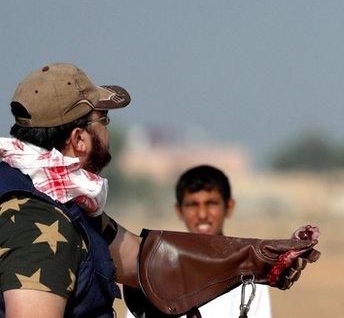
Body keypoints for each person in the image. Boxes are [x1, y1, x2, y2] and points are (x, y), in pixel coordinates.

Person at [0, 63, 317, 318]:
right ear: (79, 140)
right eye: (104, 119)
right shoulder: (37, 223)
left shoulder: (60, 201)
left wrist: (256, 257)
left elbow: (145, 262)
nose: (108, 130)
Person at [123, 165, 272, 318]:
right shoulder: (155, 271)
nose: (202, 214)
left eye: (211, 203)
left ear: (229, 207)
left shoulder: (248, 273)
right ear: (179, 210)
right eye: (192, 205)